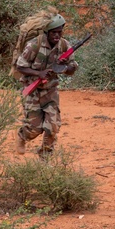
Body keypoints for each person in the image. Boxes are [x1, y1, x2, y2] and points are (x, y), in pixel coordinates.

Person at [14, 8, 78, 157]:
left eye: (59, 32)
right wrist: (38, 73)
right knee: (34, 128)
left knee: (53, 127)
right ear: (47, 32)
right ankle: (22, 136)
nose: (57, 35)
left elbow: (73, 67)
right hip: (33, 91)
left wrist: (63, 68)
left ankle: (45, 157)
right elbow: (20, 65)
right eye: (53, 32)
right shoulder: (33, 45)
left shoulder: (64, 46)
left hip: (50, 92)